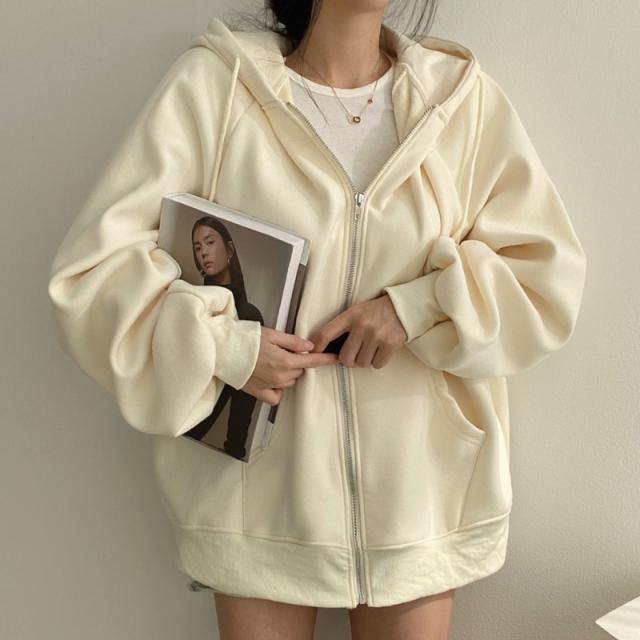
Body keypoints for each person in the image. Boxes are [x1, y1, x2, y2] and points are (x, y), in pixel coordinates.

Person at [46, 0, 587, 638]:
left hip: (419, 500)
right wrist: (225, 347)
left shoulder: (460, 101)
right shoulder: (215, 87)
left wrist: (415, 308)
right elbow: (94, 274)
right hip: (254, 506)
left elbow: (542, 274)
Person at [186, 216, 265, 460]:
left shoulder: (248, 315)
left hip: (200, 442)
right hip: (170, 421)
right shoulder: (190, 302)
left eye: (210, 242)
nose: (204, 252)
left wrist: (235, 452)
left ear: (229, 250)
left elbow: (243, 404)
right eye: (198, 247)